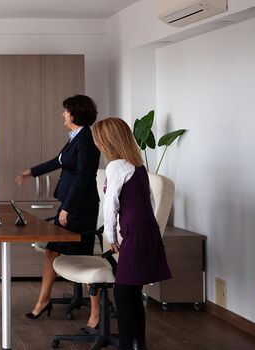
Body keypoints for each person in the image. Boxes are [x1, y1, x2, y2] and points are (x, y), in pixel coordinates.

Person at [15, 94, 101, 330]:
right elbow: (59, 161)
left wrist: (68, 208)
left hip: (81, 208)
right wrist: (30, 172)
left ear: (75, 113)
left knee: (85, 259)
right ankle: (43, 301)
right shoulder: (76, 137)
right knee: (51, 251)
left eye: (65, 111)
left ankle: (95, 313)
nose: (62, 115)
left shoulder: (87, 140)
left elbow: (83, 178)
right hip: (70, 204)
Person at [91, 117, 171, 350]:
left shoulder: (116, 166)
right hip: (148, 231)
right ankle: (138, 344)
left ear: (106, 141)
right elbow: (150, 199)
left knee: (124, 292)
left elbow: (110, 204)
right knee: (133, 291)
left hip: (135, 235)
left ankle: (127, 345)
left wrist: (112, 237)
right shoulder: (137, 166)